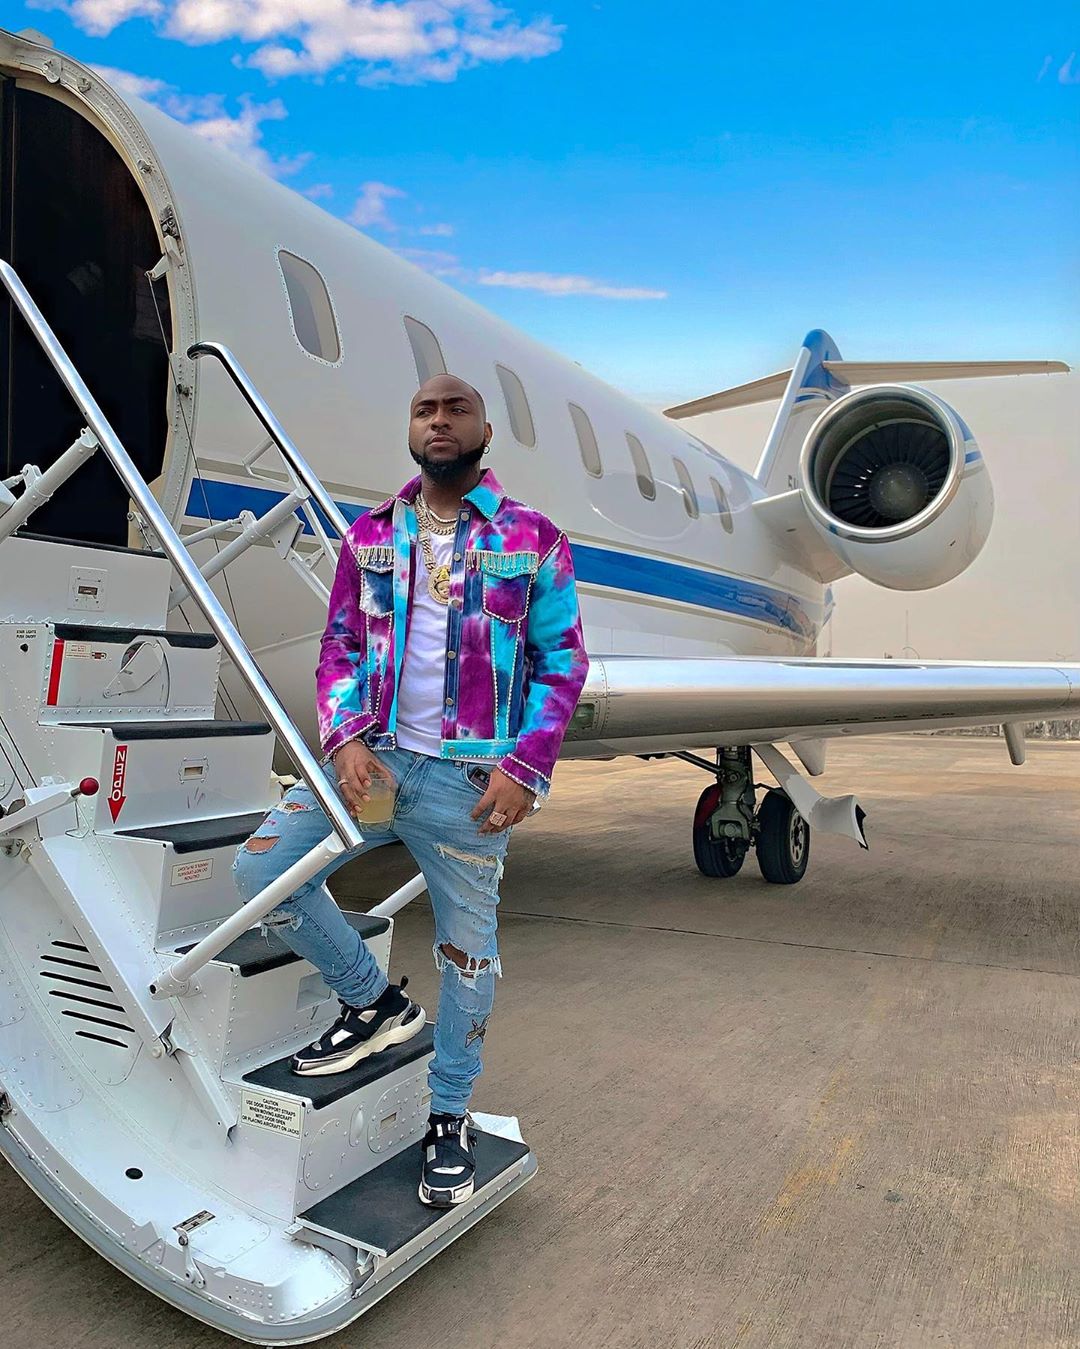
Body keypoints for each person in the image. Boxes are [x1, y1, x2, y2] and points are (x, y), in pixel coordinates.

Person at [233, 373, 589, 1207]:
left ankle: (449, 1115)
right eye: (425, 409)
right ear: (410, 427)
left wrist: (525, 767)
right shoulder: (370, 536)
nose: (439, 420)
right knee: (262, 872)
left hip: (468, 787)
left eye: (456, 409)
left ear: (484, 431)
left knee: (469, 954)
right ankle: (371, 1001)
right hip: (381, 771)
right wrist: (347, 736)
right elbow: (340, 650)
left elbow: (562, 661)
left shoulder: (533, 539)